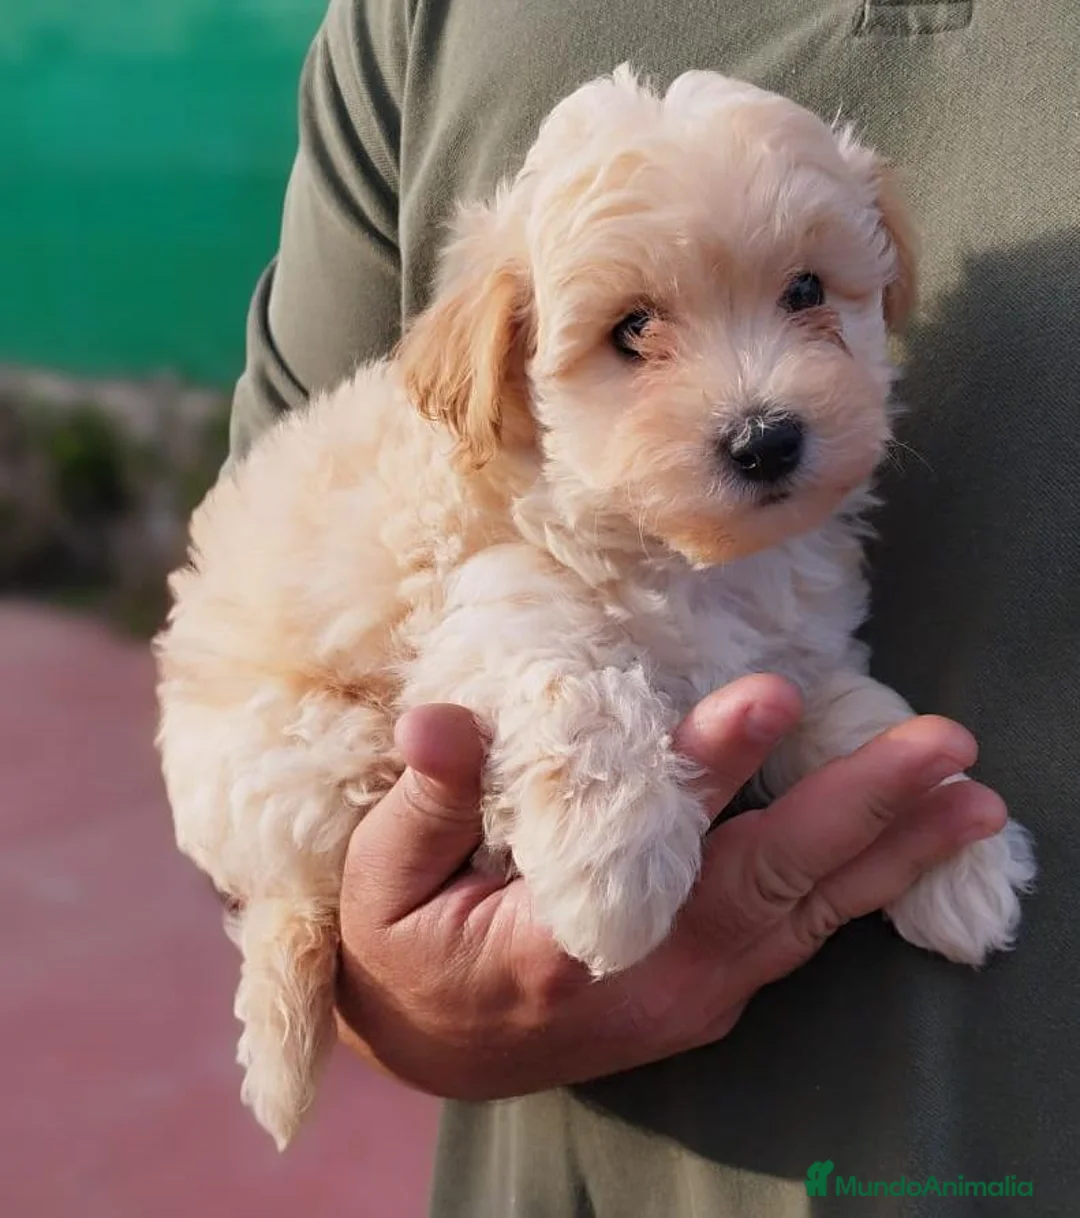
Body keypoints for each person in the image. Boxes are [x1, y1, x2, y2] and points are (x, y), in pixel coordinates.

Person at [227, 1, 1080, 1212]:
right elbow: (483, 661)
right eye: (635, 332)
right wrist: (389, 983)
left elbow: (793, 672)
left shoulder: (797, 559)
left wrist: (878, 774)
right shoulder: (419, 31)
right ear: (510, 370)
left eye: (805, 295)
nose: (757, 401)